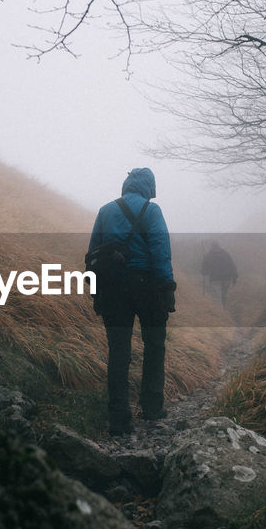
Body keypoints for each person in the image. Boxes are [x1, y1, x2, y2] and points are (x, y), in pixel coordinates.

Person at [88, 167, 176, 435]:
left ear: (126, 185)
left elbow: (93, 253)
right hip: (146, 286)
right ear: (149, 187)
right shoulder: (151, 211)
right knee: (154, 346)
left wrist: (95, 291)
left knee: (118, 352)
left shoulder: (105, 211)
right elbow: (160, 251)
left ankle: (119, 418)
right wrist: (167, 287)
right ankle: (151, 407)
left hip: (113, 288)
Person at [201, 241, 238, 306]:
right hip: (227, 279)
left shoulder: (208, 256)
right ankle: (224, 309)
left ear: (211, 246)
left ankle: (220, 313)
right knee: (224, 295)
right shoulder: (225, 254)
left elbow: (204, 271)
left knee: (218, 298)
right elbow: (232, 265)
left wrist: (203, 271)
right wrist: (235, 278)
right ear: (219, 246)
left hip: (215, 280)